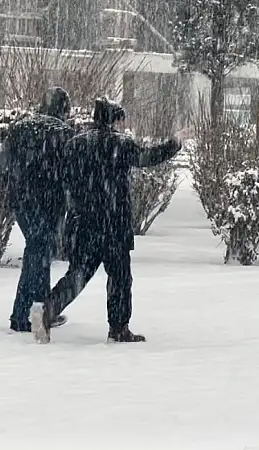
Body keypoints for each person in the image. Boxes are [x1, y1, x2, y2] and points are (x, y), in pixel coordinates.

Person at [28, 97, 182, 344]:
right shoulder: (119, 144)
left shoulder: (75, 144)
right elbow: (147, 158)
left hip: (80, 223)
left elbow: (60, 177)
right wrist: (174, 144)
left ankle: (47, 309)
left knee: (78, 274)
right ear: (113, 120)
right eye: (120, 120)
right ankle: (119, 328)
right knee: (120, 277)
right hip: (112, 224)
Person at [0, 86, 76, 333]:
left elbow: (3, 163)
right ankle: (30, 315)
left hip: (23, 202)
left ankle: (33, 312)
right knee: (39, 253)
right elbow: (70, 173)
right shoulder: (64, 133)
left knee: (37, 252)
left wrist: (9, 192)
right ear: (64, 109)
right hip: (49, 203)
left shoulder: (21, 128)